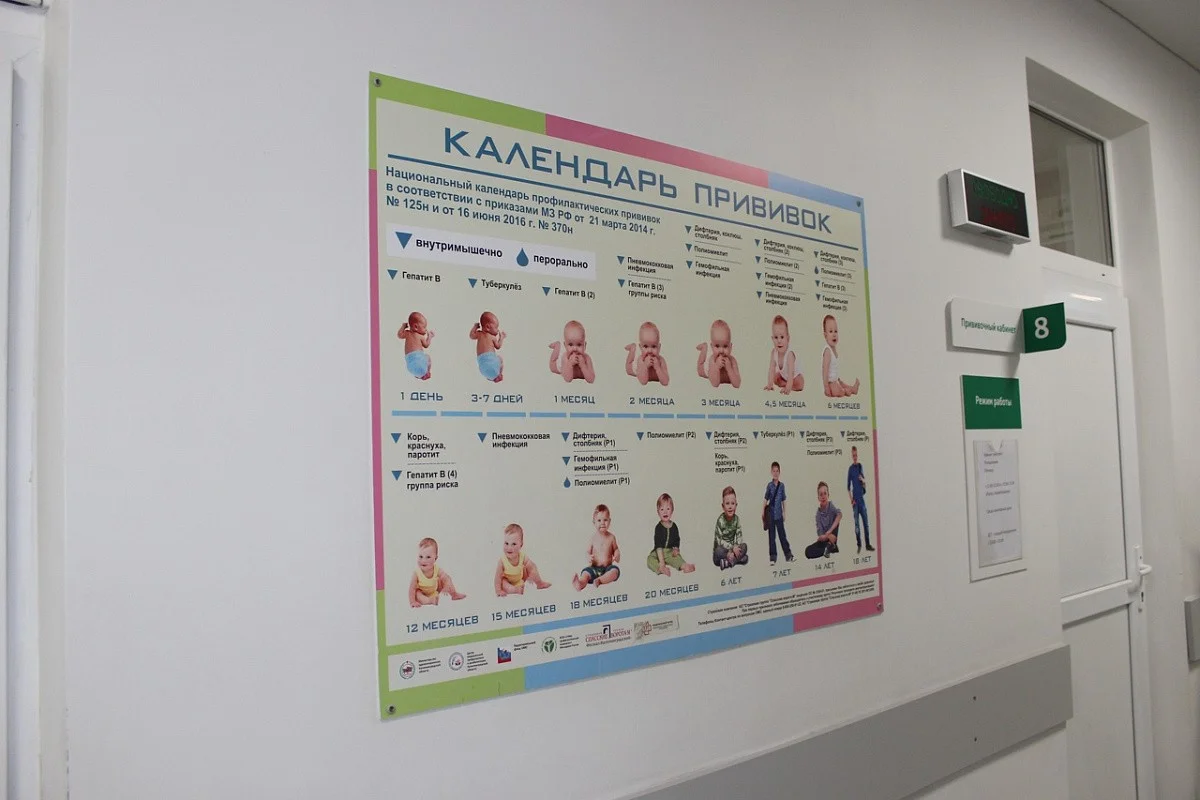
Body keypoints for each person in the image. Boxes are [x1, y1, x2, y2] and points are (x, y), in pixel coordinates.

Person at [493, 523, 551, 596]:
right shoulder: (502, 561)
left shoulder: (522, 556)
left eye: (514, 544)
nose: (509, 548)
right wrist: (498, 590)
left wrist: (532, 571)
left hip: (520, 579)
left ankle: (539, 583)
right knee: (503, 582)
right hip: (508, 581)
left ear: (521, 545)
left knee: (531, 566)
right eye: (506, 543)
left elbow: (531, 566)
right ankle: (514, 589)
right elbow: (497, 577)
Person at [573, 504, 622, 590]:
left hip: (607, 568)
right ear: (594, 522)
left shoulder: (611, 537)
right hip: (594, 568)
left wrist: (617, 554)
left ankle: (600, 580)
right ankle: (580, 584)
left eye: (605, 520)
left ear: (609, 521)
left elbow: (616, 549)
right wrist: (588, 557)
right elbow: (587, 552)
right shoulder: (593, 538)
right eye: (599, 520)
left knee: (615, 571)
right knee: (585, 573)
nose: (602, 523)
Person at [407, 537, 467, 607]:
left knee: (446, 578)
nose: (423, 560)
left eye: (428, 557)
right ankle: (430, 600)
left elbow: (446, 578)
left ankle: (454, 594)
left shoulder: (437, 569)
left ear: (435, 558)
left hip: (434, 591)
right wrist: (412, 602)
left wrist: (446, 586)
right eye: (420, 556)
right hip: (422, 594)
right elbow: (411, 589)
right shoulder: (416, 573)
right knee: (417, 593)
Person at [645, 493, 695, 575]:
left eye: (668, 509)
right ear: (658, 512)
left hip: (669, 552)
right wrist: (662, 563)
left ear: (672, 510)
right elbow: (658, 545)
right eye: (662, 509)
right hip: (659, 552)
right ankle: (660, 569)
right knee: (650, 559)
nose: (665, 512)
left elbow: (676, 540)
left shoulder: (674, 526)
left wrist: (676, 548)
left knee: (676, 558)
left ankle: (685, 566)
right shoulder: (658, 527)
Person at [820, 314, 860, 397]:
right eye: (831, 331)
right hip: (831, 384)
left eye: (836, 331)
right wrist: (826, 387)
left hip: (835, 380)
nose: (834, 334)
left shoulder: (833, 349)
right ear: (825, 335)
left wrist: (838, 380)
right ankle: (847, 391)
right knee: (841, 391)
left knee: (842, 383)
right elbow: (825, 371)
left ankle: (853, 389)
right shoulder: (827, 351)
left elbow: (833, 369)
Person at [763, 461, 794, 565]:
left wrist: (784, 512)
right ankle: (773, 557)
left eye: (777, 471)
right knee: (772, 537)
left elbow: (783, 500)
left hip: (779, 515)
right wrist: (763, 512)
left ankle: (788, 555)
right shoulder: (769, 486)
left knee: (782, 536)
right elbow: (765, 499)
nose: (775, 473)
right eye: (774, 471)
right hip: (771, 515)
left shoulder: (782, 486)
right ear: (771, 472)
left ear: (779, 472)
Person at [763, 315, 804, 394]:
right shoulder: (774, 353)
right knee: (775, 377)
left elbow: (791, 373)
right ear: (772, 339)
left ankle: (789, 386)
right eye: (776, 337)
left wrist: (787, 388)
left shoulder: (789, 355)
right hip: (784, 377)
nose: (779, 341)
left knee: (799, 383)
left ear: (788, 339)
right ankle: (786, 383)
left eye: (782, 337)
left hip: (795, 377)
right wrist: (770, 384)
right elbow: (771, 369)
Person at [696, 319, 742, 388]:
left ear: (730, 347)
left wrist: (729, 368)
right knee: (700, 370)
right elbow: (715, 384)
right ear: (712, 347)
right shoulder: (712, 360)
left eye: (725, 346)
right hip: (706, 370)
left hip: (728, 366)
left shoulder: (732, 361)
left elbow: (737, 384)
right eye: (717, 346)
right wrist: (716, 367)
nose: (721, 351)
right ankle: (704, 347)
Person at [713, 486, 749, 568]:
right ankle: (735, 560)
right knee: (718, 551)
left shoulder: (736, 519)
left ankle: (727, 563)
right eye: (727, 503)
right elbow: (719, 541)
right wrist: (731, 549)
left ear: (736, 505)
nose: (730, 507)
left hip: (733, 551)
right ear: (723, 506)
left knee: (744, 546)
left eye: (732, 503)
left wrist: (736, 547)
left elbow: (739, 536)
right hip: (723, 551)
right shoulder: (720, 520)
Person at [847, 446, 874, 553]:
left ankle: (868, 544)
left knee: (866, 523)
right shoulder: (850, 469)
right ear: (851, 456)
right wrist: (851, 500)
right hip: (855, 502)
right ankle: (859, 544)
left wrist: (863, 480)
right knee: (857, 525)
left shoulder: (860, 466)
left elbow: (864, 483)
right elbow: (848, 487)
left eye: (856, 455)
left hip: (862, 501)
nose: (855, 457)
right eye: (853, 455)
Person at [625, 321, 670, 385]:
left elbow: (665, 382)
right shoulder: (641, 360)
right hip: (636, 370)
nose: (650, 351)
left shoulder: (661, 361)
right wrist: (645, 366)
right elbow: (643, 382)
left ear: (659, 347)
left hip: (657, 366)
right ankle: (632, 348)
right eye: (645, 346)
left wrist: (658, 368)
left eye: (654, 346)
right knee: (628, 368)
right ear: (641, 348)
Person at [806, 482, 842, 559]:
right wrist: (826, 536)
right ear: (818, 498)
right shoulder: (818, 515)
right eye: (821, 494)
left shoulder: (831, 507)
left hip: (832, 537)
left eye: (825, 493)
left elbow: (839, 515)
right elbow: (821, 535)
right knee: (808, 551)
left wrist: (829, 532)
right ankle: (830, 548)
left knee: (836, 518)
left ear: (828, 495)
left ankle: (830, 546)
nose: (823, 497)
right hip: (825, 540)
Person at [397, 311, 434, 380]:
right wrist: (430, 337)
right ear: (416, 327)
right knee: (428, 357)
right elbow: (426, 345)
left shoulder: (407, 333)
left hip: (409, 363)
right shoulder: (420, 336)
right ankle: (427, 372)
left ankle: (419, 375)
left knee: (417, 370)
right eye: (424, 327)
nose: (426, 329)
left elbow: (399, 335)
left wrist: (403, 326)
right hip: (419, 359)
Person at [470, 311, 506, 382]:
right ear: (487, 327)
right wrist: (501, 337)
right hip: (492, 362)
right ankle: (499, 374)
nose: (497, 330)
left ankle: (491, 377)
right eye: (496, 327)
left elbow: (471, 336)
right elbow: (498, 346)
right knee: (500, 359)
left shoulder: (479, 334)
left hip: (482, 366)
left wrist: (475, 327)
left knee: (488, 372)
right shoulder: (492, 337)